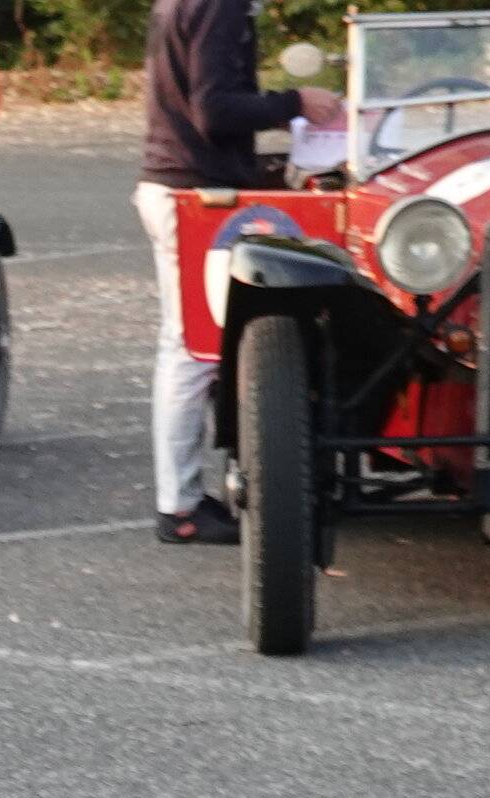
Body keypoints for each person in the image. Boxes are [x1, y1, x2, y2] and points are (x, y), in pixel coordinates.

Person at [140, 0, 339, 543]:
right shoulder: (221, 6)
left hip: (179, 182)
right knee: (192, 349)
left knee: (188, 345)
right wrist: (295, 103)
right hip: (194, 189)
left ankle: (185, 496)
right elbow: (213, 108)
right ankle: (178, 506)